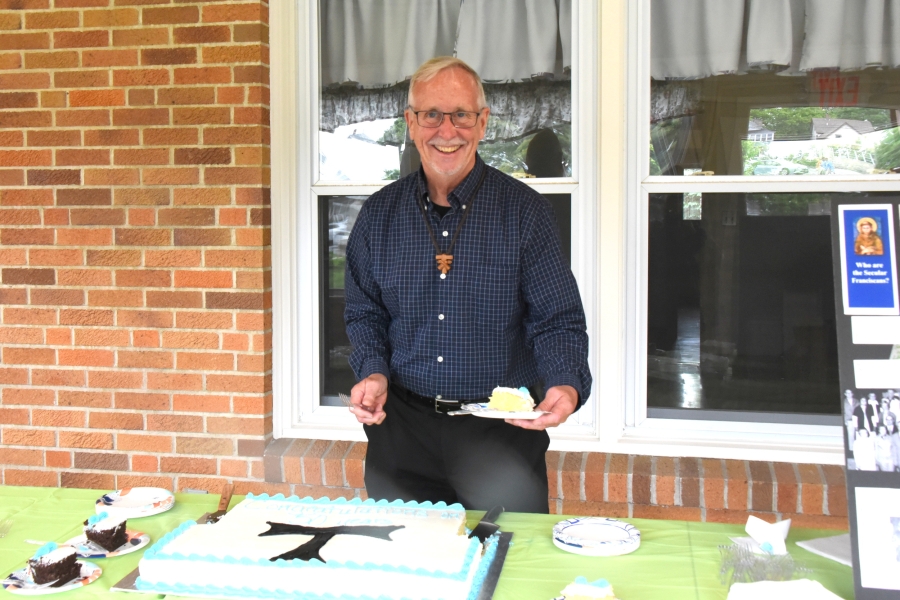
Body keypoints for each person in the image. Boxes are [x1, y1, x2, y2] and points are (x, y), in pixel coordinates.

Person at [343, 57, 591, 513]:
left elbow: (557, 319)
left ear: (482, 122)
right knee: (411, 574)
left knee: (510, 568)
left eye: (461, 114)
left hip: (499, 433)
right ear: (411, 123)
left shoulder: (525, 213)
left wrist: (565, 382)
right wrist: (373, 371)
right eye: (431, 114)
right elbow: (364, 314)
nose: (447, 129)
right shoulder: (378, 215)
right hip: (402, 433)